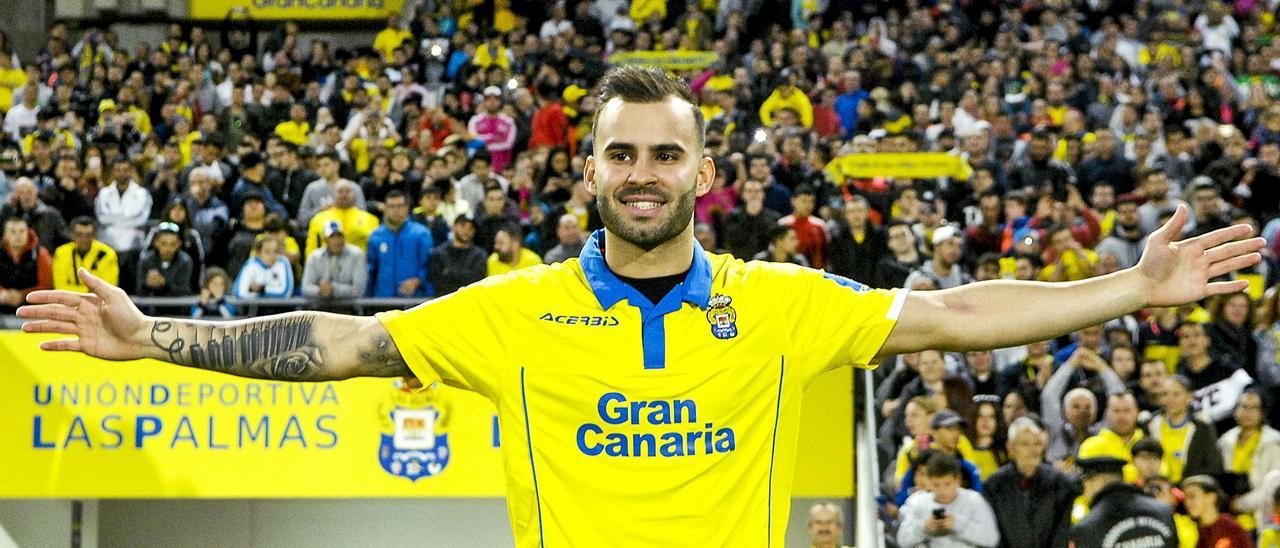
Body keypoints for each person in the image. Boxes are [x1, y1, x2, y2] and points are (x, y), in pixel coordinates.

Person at [18, 65, 1266, 546]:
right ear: (588, 169)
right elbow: (339, 340)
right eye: (621, 154)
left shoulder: (784, 302)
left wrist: (1130, 285)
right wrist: (158, 333)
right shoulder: (511, 309)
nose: (642, 174)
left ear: (703, 173)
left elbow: (953, 312)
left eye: (665, 154)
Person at [982, 417, 1077, 548]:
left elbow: (1061, 532)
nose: (1033, 450)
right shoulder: (993, 485)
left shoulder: (1060, 483)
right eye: (1025, 444)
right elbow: (992, 533)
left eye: (1037, 444)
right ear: (1010, 447)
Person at [1069, 436, 1178, 547]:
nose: (1084, 491)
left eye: (1086, 483)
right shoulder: (1163, 511)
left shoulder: (1087, 528)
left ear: (1098, 482)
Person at [897, 451, 1000, 547]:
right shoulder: (916, 502)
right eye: (936, 484)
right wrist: (923, 528)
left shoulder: (974, 500)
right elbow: (902, 541)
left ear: (957, 480)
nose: (942, 490)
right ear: (929, 480)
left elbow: (992, 539)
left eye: (947, 484)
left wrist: (958, 524)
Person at [1217, 389, 1280, 529]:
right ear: (1235, 410)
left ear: (1262, 413)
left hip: (1262, 516)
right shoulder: (1225, 441)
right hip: (1228, 514)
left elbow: (1273, 486)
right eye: (1244, 407)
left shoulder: (1274, 443)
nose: (1248, 413)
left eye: (1254, 408)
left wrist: (1241, 504)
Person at [1148, 375, 1224, 482]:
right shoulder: (1151, 424)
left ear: (1189, 396)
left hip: (1191, 487)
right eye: (1165, 394)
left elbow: (1213, 466)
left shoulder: (1202, 427)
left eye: (1176, 394)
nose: (1170, 399)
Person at [366, 190, 433, 297]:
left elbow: (430, 265)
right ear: (385, 208)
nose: (395, 210)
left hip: (415, 299)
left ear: (407, 207)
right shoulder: (375, 236)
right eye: (391, 206)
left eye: (399, 206)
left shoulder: (421, 234)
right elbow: (370, 270)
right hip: (383, 300)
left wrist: (418, 280)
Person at [1181, 475, 1253, 548]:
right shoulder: (1190, 530)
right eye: (1185, 498)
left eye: (1192, 496)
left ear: (1212, 497)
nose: (1187, 502)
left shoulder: (1230, 528)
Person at [52, 216, 118, 292]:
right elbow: (60, 287)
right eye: (79, 235)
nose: (84, 239)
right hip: (69, 301)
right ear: (72, 235)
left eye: (88, 235)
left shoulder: (107, 254)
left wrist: (75, 289)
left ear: (95, 236)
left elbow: (108, 288)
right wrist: (90, 290)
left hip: (98, 301)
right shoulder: (61, 253)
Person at [0, 216, 51, 312]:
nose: (18, 236)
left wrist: (22, 295)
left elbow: (47, 286)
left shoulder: (41, 254)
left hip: (32, 307)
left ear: (28, 232)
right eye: (13, 232)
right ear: (5, 234)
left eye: (22, 231)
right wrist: (2, 293)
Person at [427, 214, 486, 296]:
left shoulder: (479, 255)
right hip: (445, 302)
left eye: (471, 228)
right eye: (463, 226)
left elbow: (477, 281)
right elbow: (437, 282)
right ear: (453, 227)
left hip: (469, 301)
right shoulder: (438, 253)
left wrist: (449, 273)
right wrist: (464, 275)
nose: (467, 231)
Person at [134, 222, 194, 297]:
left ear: (179, 244)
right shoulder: (145, 260)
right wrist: (147, 285)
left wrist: (164, 284)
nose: (168, 249)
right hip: (150, 306)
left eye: (173, 244)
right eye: (164, 244)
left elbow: (185, 290)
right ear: (156, 243)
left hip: (177, 307)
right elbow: (138, 291)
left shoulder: (185, 261)